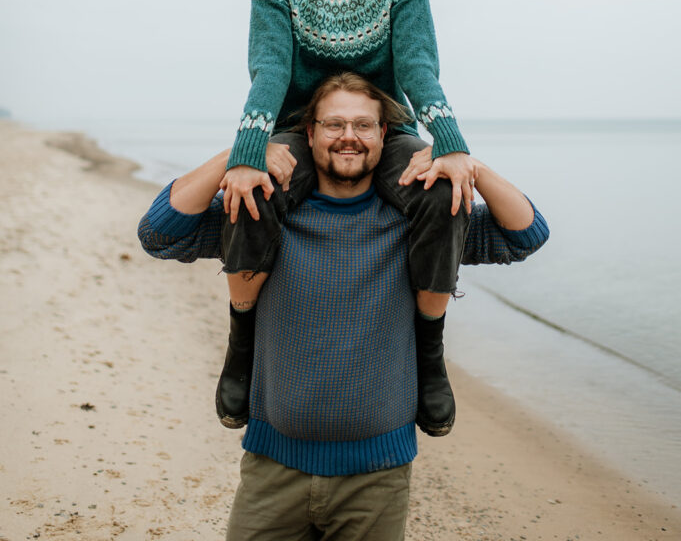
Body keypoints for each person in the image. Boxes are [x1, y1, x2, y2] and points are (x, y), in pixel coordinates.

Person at [138, 73, 549, 541]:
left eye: (363, 125)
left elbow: (525, 235)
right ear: (308, 134)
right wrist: (240, 155)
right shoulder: (264, 209)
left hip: (378, 475)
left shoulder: (415, 222)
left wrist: (465, 163)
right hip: (272, 469)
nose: (348, 137)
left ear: (384, 136)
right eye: (334, 125)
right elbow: (159, 233)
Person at [217, 0, 475, 436]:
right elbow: (271, 69)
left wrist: (452, 145)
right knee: (249, 189)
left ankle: (430, 355)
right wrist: (248, 153)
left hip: (384, 128)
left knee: (443, 192)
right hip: (299, 130)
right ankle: (241, 339)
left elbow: (416, 68)